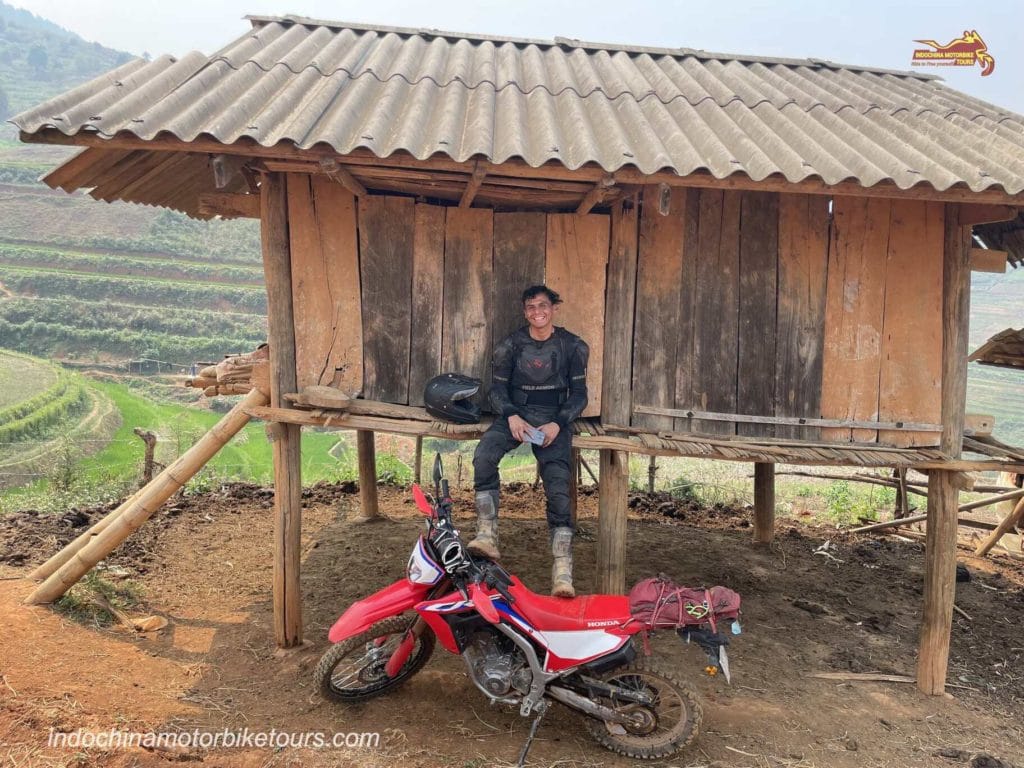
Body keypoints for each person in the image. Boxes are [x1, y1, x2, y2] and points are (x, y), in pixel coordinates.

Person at [469, 285, 589, 598]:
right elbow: (496, 390)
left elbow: (579, 395)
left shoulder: (571, 346)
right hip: (516, 414)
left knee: (559, 486)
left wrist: (558, 423)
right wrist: (510, 416)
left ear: (554, 308)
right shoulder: (510, 346)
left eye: (543, 306)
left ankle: (563, 569)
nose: (538, 312)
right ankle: (486, 534)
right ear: (525, 312)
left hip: (554, 418)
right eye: (531, 307)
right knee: (483, 456)